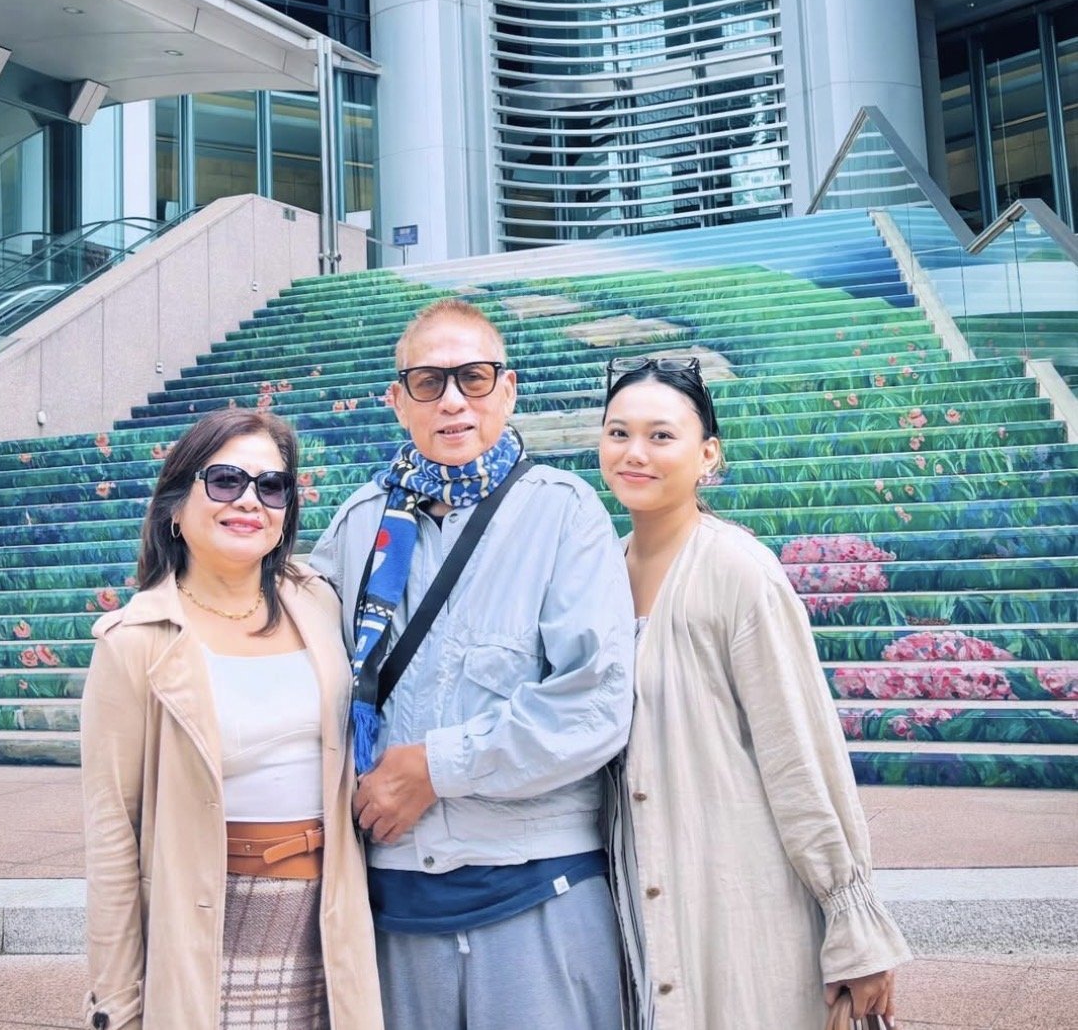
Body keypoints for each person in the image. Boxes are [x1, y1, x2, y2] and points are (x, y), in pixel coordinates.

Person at [310, 298, 635, 1030]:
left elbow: (594, 705)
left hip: (536, 892)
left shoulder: (564, 513)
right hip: (392, 902)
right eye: (429, 381)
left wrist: (433, 767)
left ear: (508, 389)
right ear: (398, 401)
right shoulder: (360, 522)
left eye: (475, 377)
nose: (453, 399)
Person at [599, 356, 911, 1030]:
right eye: (618, 432)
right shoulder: (597, 576)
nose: (635, 452)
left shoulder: (740, 572)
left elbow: (799, 750)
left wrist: (853, 923)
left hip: (740, 899)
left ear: (708, 453)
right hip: (643, 901)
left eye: (661, 435)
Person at [81, 408, 383, 1030]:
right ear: (174, 506)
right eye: (224, 481)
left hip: (329, 916)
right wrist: (118, 1001)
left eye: (271, 486)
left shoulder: (317, 602)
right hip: (209, 921)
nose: (249, 501)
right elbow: (114, 836)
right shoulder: (133, 640)